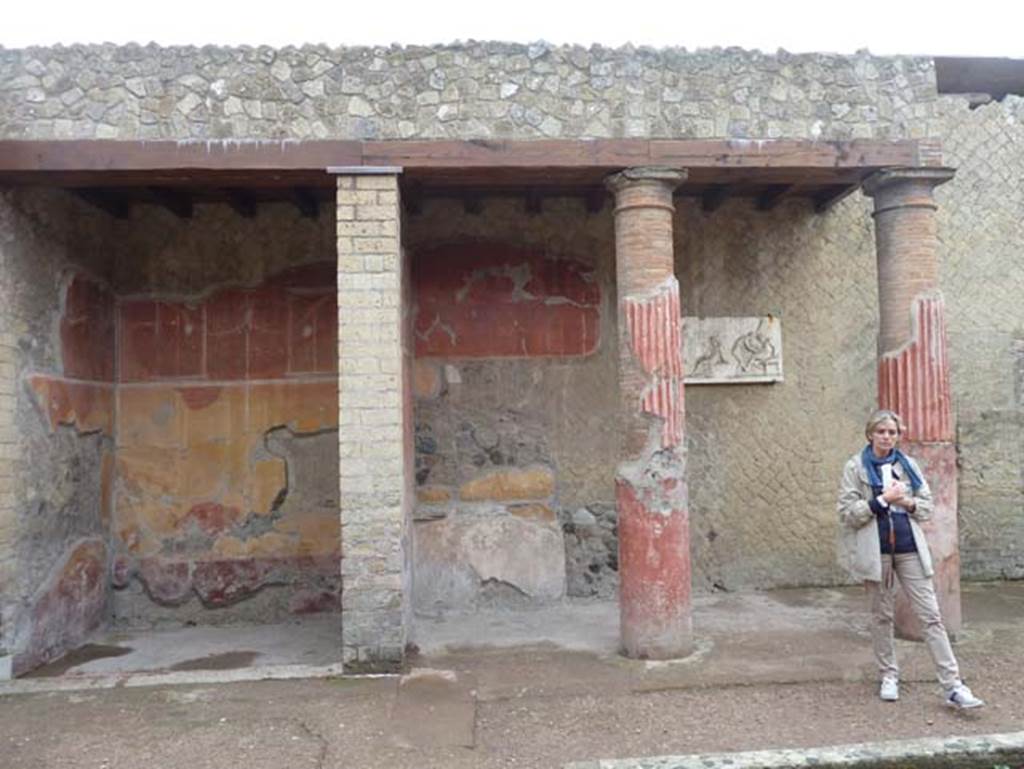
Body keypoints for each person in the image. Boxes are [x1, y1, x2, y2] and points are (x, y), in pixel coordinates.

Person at [837, 409, 983, 709]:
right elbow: (847, 513)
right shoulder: (856, 467)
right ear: (870, 434)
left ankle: (953, 685)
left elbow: (927, 508)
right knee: (882, 616)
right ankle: (889, 674)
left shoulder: (908, 466)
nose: (887, 437)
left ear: (897, 436)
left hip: (909, 549)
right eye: (881, 432)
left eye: (892, 432)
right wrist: (881, 501)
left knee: (931, 615)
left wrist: (906, 501)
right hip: (877, 553)